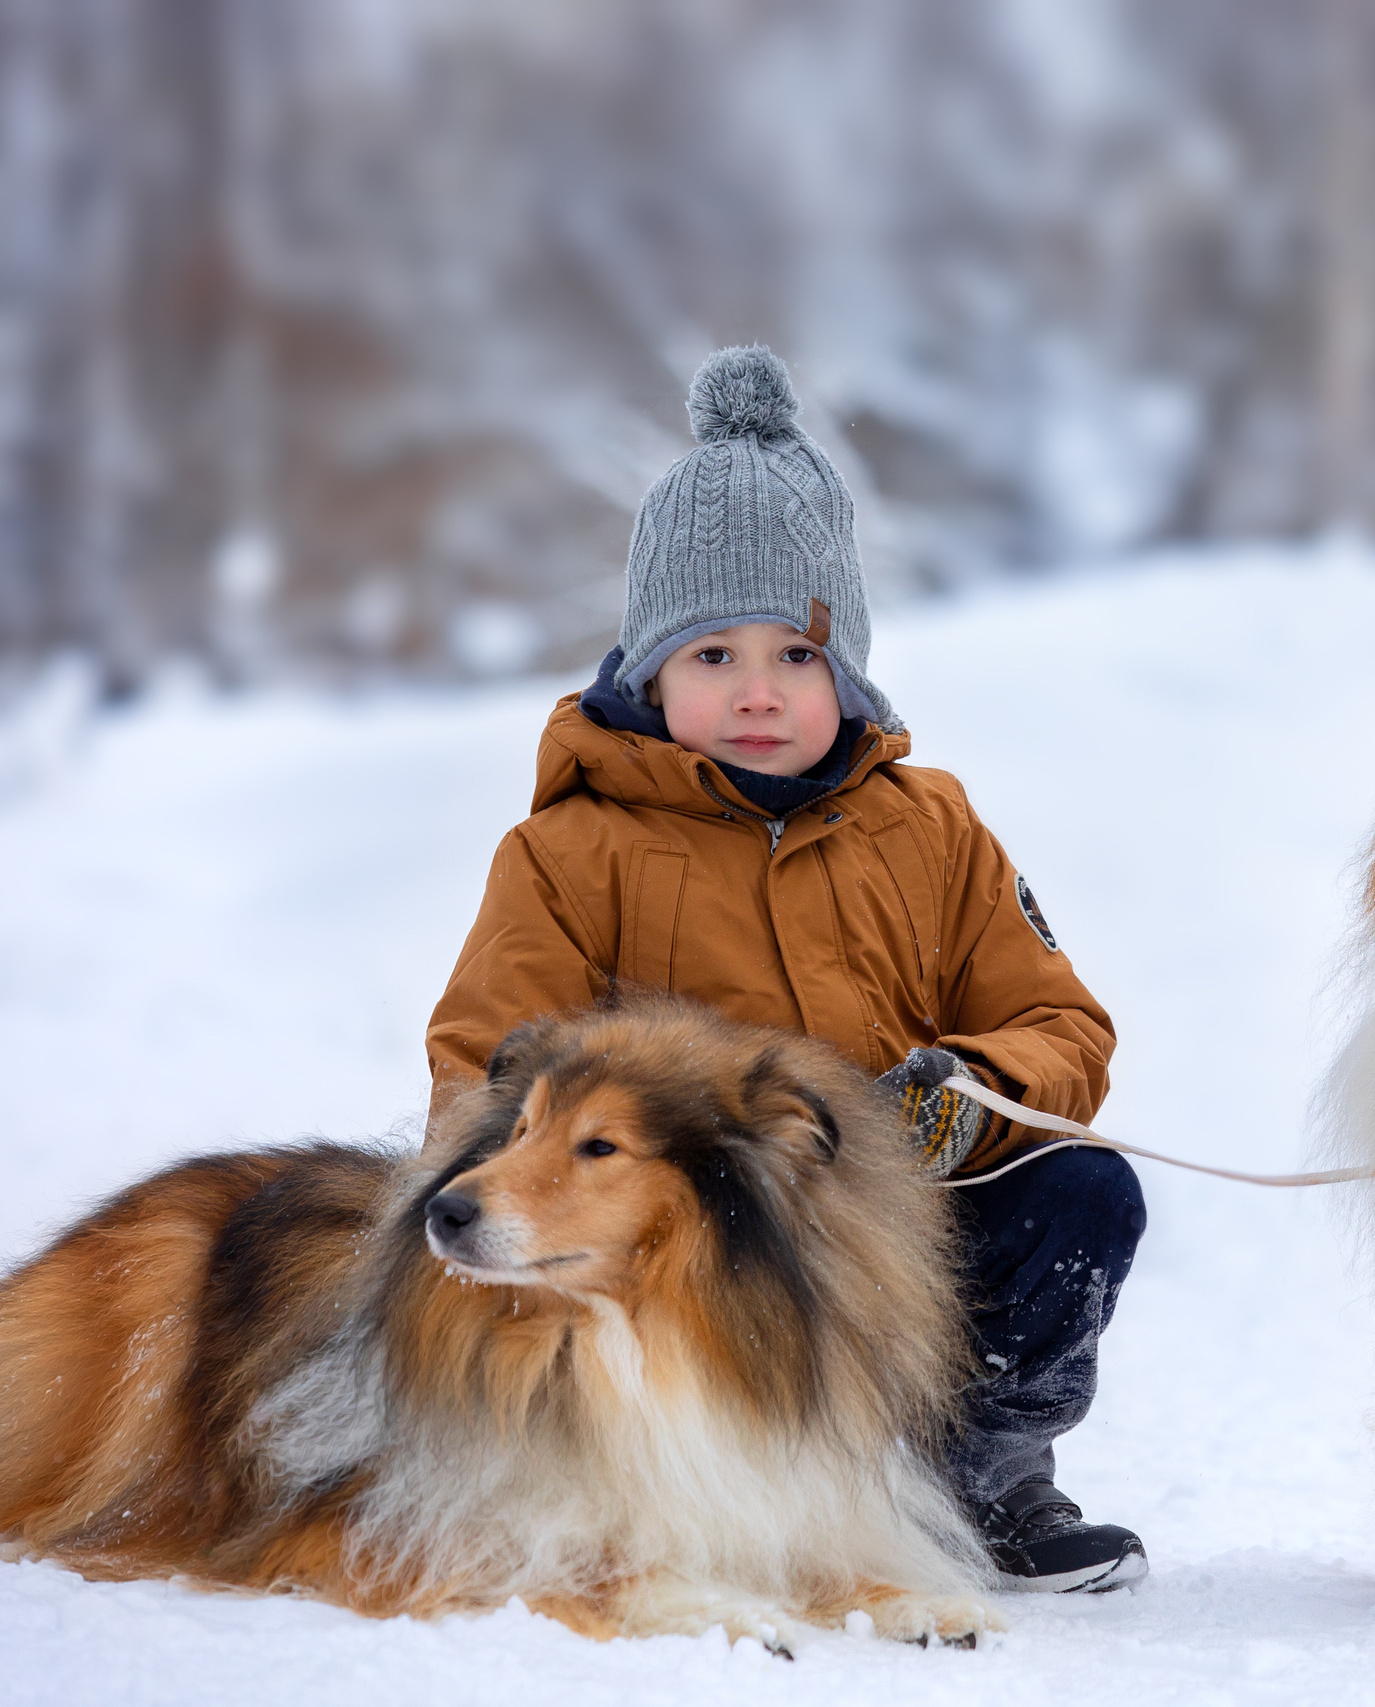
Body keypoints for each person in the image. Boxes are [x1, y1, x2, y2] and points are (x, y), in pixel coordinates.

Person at [423, 345, 1148, 1593]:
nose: (758, 694)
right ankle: (664, 1474)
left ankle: (979, 1475)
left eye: (795, 657)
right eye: (714, 658)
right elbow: (486, 1068)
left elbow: (1056, 1021)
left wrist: (968, 1090)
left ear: (846, 669)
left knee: (1080, 1193)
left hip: (886, 1227)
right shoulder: (570, 849)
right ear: (650, 669)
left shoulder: (931, 831)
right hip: (694, 1240)